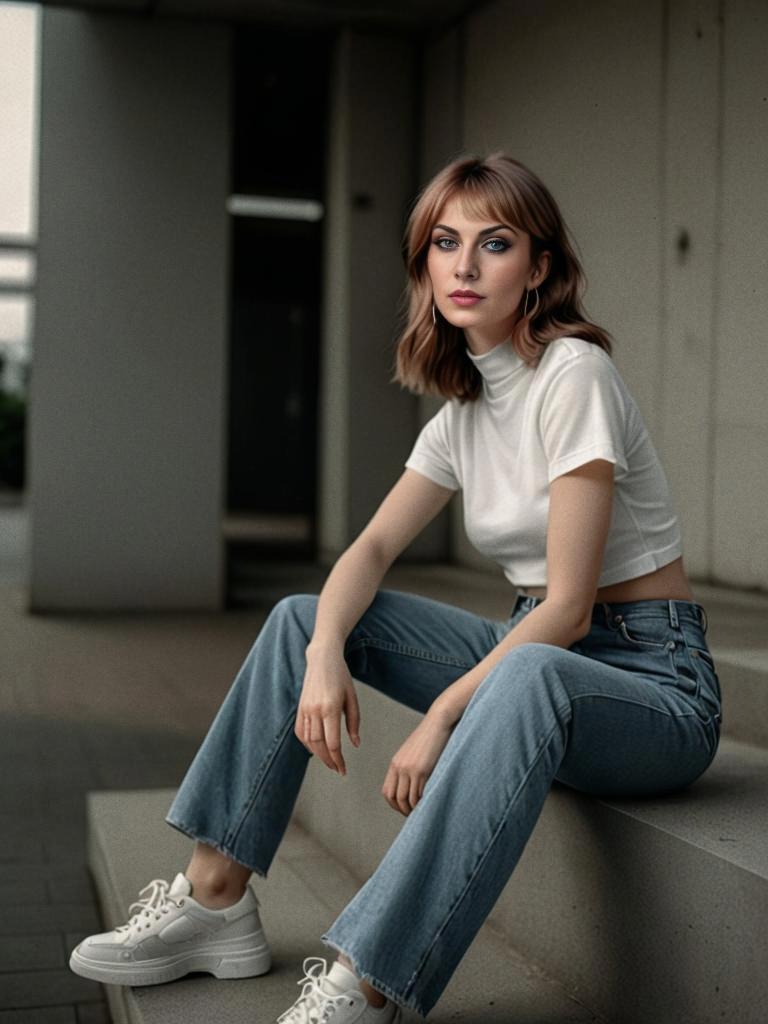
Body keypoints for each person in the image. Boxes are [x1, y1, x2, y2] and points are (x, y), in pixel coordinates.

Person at [68, 152, 722, 1023]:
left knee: (524, 669)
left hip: (653, 680)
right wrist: (326, 654)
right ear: (424, 265)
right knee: (306, 615)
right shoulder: (463, 414)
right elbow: (370, 548)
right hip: (535, 656)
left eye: (495, 244)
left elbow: (568, 610)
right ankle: (214, 898)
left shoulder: (574, 376)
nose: (464, 265)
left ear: (539, 268)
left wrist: (445, 716)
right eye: (444, 243)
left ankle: (371, 980)